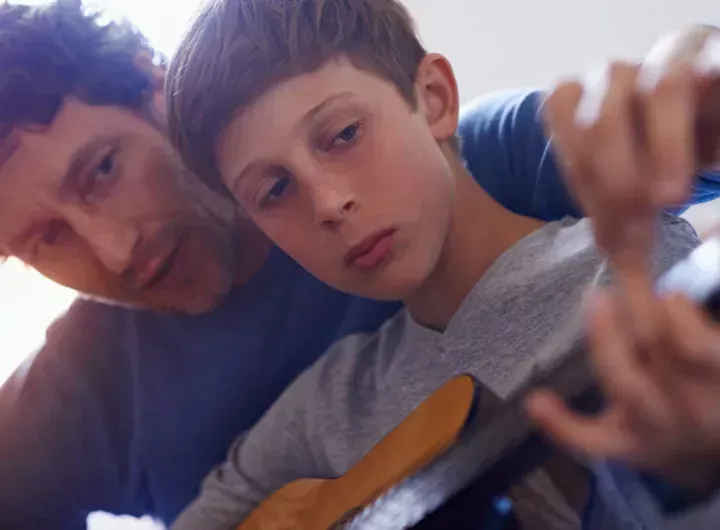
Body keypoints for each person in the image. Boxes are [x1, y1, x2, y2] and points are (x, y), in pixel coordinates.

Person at [0, 1, 717, 528]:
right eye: (44, 240)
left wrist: (688, 64)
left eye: (100, 171)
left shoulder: (479, 156)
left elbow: (672, 119)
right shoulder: (71, 397)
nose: (114, 250)